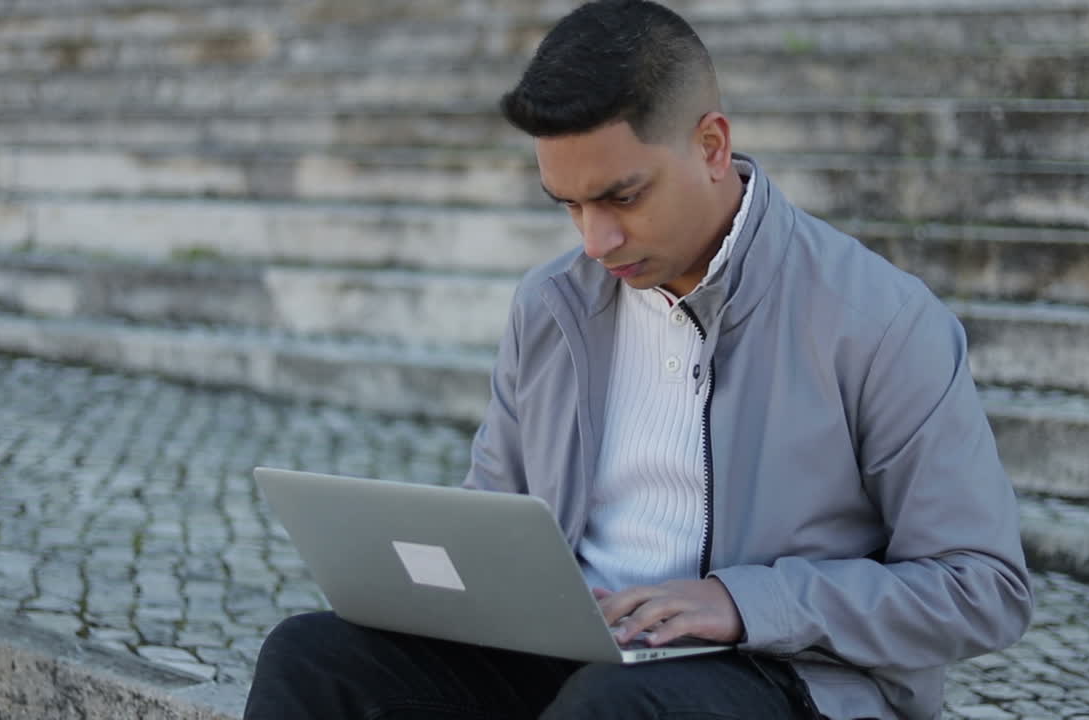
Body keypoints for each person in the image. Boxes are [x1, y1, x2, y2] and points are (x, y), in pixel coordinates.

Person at [242, 1, 1034, 718]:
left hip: (786, 675)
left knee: (614, 707)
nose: (596, 241)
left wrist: (743, 602)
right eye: (571, 205)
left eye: (622, 197)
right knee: (311, 657)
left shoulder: (881, 322)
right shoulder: (551, 305)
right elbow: (491, 512)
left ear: (712, 145)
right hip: (575, 656)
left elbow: (982, 586)